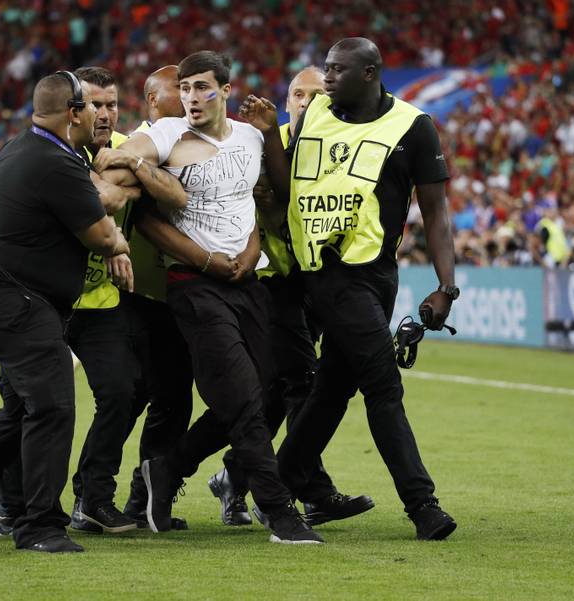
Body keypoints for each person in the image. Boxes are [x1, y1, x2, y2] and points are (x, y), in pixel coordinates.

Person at [96, 50, 322, 544]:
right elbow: (114, 169)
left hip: (247, 281)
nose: (192, 98)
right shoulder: (167, 135)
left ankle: (166, 468)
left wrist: (252, 250)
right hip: (194, 285)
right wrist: (201, 258)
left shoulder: (248, 137)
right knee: (241, 399)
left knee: (260, 395)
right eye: (185, 88)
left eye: (201, 87)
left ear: (225, 89)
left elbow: (257, 201)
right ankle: (279, 511)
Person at [242, 37, 458, 540]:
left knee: (333, 389)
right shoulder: (313, 115)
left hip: (378, 274)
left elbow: (435, 211)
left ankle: (280, 478)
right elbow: (289, 187)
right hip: (328, 273)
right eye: (327, 68)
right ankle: (422, 506)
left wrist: (446, 286)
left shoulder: (412, 126)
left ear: (370, 73)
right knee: (383, 385)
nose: (328, 78)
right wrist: (271, 136)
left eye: (338, 69)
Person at [0, 71, 131, 554]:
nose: (98, 115)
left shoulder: (23, 148)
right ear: (74, 113)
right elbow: (103, 237)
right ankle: (39, 525)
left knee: (25, 406)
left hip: (4, 297)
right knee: (54, 406)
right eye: (91, 106)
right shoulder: (56, 162)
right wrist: (119, 238)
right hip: (16, 301)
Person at [208, 66, 374, 528]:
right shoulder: (262, 142)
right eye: (298, 94)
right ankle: (308, 490)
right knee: (304, 381)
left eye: (316, 94)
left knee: (276, 394)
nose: (306, 102)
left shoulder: (338, 146)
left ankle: (232, 475)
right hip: (271, 280)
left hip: (316, 281)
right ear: (287, 102)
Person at [113, 65, 195, 529]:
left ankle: (142, 500)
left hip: (179, 294)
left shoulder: (196, 146)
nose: (187, 100)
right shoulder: (133, 147)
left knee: (172, 401)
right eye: (178, 91)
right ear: (151, 99)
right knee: (128, 398)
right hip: (137, 295)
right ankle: (93, 494)